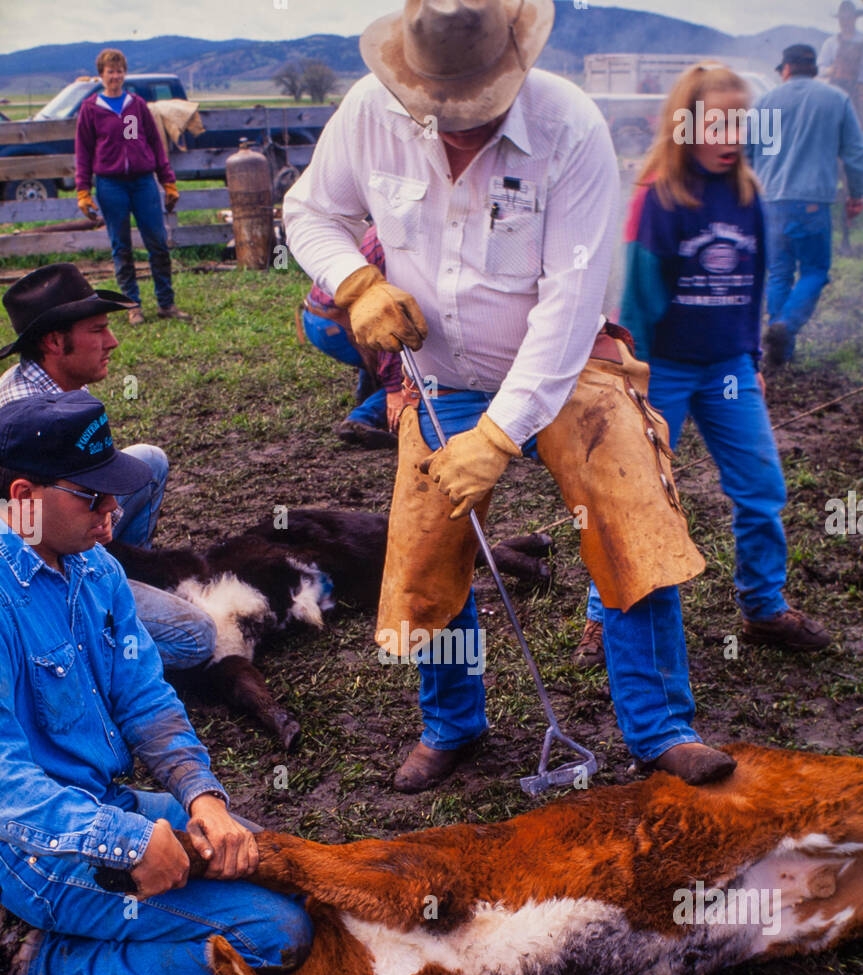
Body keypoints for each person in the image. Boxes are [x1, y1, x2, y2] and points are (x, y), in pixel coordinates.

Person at [284, 0, 736, 793]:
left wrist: (497, 438)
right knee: (428, 544)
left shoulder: (570, 126)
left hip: (570, 372)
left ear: (512, 70)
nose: (454, 126)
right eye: (438, 109)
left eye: (475, 110)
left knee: (630, 514)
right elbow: (306, 209)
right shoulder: (367, 111)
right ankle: (452, 724)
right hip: (445, 375)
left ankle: (659, 727)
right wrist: (353, 280)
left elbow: (569, 301)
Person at [0, 392, 312, 975]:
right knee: (277, 935)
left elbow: (146, 697)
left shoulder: (94, 568)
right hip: (26, 849)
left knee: (279, 868)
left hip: (104, 807)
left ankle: (90, 928)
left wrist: (203, 800)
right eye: (93, 498)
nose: (113, 516)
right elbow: (7, 788)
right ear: (23, 494)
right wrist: (125, 841)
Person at [576, 65, 831, 672]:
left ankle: (763, 606)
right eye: (715, 123)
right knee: (636, 496)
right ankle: (600, 612)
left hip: (728, 367)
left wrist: (749, 358)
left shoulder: (748, 195)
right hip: (661, 368)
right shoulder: (659, 196)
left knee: (761, 487)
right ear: (683, 125)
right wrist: (631, 381)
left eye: (740, 123)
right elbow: (639, 297)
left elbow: (755, 287)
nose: (730, 135)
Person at [0, 263, 216, 670]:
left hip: (62, 526)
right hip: (34, 565)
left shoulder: (55, 382)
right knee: (197, 636)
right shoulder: (24, 412)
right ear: (54, 341)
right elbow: (23, 537)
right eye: (98, 330)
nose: (112, 342)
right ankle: (86, 637)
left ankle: (123, 579)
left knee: (149, 461)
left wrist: (97, 518)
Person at [747, 44, 863, 366]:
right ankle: (784, 326)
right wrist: (857, 194)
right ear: (812, 69)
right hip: (813, 204)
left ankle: (779, 349)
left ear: (786, 69)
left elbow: (749, 154)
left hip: (770, 202)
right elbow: (855, 154)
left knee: (779, 272)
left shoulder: (766, 102)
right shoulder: (836, 100)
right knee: (814, 271)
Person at [75, 47, 190, 325]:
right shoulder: (91, 109)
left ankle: (166, 303)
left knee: (158, 242)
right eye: (110, 71)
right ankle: (132, 306)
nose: (115, 76)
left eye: (119, 71)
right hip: (110, 186)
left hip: (142, 183)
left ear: (125, 73)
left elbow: (155, 145)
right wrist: (83, 190)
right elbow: (84, 152)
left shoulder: (136, 106)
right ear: (101, 75)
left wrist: (168, 182)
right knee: (121, 247)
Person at [301, 224, 408, 448]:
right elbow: (388, 322)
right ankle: (363, 418)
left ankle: (366, 395)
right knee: (420, 368)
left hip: (315, 317)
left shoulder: (382, 225)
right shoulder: (398, 246)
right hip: (338, 329)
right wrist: (395, 389)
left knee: (369, 323)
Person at [819, 3, 863, 116]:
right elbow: (820, 69)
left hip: (857, 92)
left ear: (854, 18)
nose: (845, 22)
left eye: (848, 18)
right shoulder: (831, 43)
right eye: (842, 18)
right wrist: (829, 70)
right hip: (835, 90)